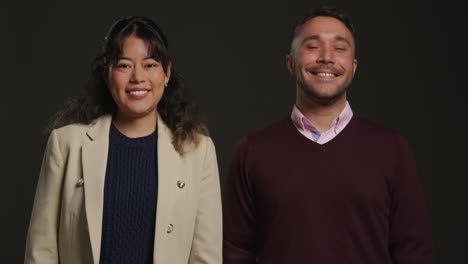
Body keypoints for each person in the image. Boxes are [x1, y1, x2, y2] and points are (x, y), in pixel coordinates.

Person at [223, 5, 434, 264]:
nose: (326, 57)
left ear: (353, 67)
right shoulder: (252, 150)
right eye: (312, 47)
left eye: (340, 48)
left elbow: (414, 251)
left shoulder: (392, 149)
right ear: (290, 63)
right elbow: (235, 250)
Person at [25, 16, 222, 264]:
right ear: (107, 75)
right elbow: (40, 251)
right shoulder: (67, 144)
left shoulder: (197, 151)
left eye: (150, 65)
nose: (138, 77)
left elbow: (206, 257)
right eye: (124, 65)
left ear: (167, 73)